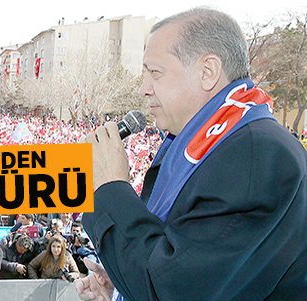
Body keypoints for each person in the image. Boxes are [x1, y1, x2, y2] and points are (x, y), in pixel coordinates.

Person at [79, 8, 307, 300]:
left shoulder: (253, 156)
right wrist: (120, 287)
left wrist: (110, 186)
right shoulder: (193, 145)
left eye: (155, 73)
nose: (144, 89)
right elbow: (186, 263)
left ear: (207, 72)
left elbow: (171, 290)